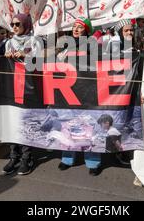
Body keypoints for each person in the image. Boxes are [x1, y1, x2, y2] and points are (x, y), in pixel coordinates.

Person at [56, 18, 103, 176]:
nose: (76, 29)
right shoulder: (66, 46)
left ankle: (93, 162)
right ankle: (67, 158)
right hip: (69, 91)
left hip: (88, 91)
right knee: (68, 125)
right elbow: (57, 64)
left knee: (90, 126)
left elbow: (100, 62)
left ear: (86, 30)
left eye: (80, 27)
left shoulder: (93, 44)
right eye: (74, 27)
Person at [3, 14, 41, 176]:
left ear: (26, 24)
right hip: (12, 87)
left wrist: (26, 55)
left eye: (18, 23)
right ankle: (14, 156)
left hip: (28, 87)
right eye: (12, 24)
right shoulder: (9, 43)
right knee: (12, 121)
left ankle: (27, 157)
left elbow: (39, 62)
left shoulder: (34, 41)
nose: (15, 26)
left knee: (26, 121)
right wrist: (6, 58)